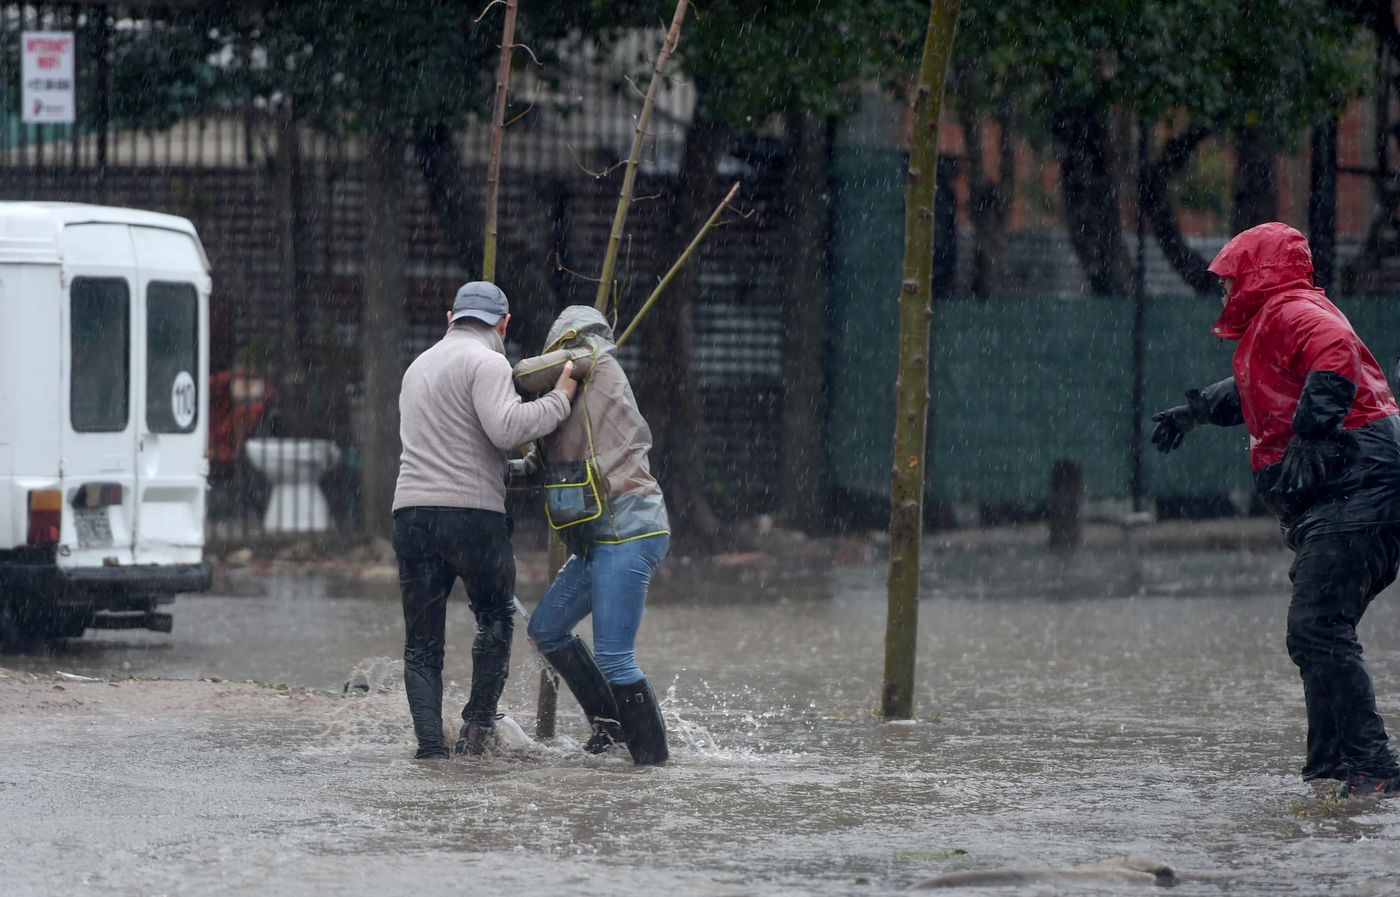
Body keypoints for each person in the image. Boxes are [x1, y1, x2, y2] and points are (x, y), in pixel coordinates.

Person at [1151, 222, 1400, 798]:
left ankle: (1373, 765)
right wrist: (1194, 412)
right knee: (1323, 629)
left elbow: (1335, 350)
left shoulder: (1293, 309)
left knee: (1316, 628)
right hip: (1355, 488)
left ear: (1255, 274)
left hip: (1359, 485)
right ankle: (1333, 765)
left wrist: (1314, 432)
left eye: (1229, 279)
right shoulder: (1274, 325)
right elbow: (1253, 386)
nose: (1222, 291)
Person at [392, 281, 577, 759]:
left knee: (421, 643)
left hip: (410, 515)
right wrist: (561, 396)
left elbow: (456, 448)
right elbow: (507, 428)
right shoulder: (489, 362)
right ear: (504, 323)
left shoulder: (417, 367)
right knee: (494, 617)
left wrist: (509, 472)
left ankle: (431, 750)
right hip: (472, 518)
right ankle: (475, 734)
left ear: (449, 317)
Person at [523, 305, 672, 765]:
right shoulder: (571, 400)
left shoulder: (595, 358)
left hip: (629, 530)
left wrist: (480, 371)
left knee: (615, 658)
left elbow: (523, 373)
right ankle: (611, 733)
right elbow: (536, 470)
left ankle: (652, 766)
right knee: (546, 629)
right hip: (597, 541)